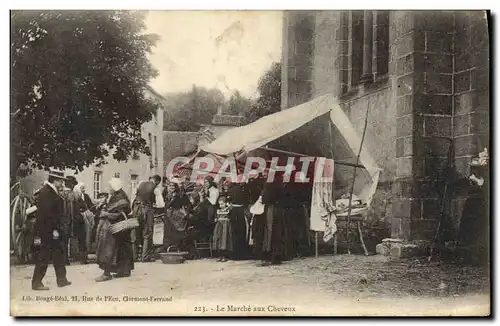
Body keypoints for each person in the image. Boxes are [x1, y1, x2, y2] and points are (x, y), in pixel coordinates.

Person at [31, 169, 72, 290]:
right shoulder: (47, 192)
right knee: (44, 255)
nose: (63, 184)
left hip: (51, 229)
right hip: (49, 230)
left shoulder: (49, 191)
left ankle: (62, 280)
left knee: (58, 254)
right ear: (55, 180)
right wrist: (54, 230)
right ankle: (36, 283)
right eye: (61, 181)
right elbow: (47, 214)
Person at [95, 178, 134, 282]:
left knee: (108, 249)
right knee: (122, 249)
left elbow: (120, 213)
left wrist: (107, 214)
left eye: (110, 187)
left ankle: (106, 273)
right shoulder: (118, 195)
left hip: (116, 227)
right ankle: (124, 271)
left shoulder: (119, 197)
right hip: (120, 228)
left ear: (114, 187)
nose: (109, 189)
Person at [132, 175, 165, 262]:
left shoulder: (140, 184)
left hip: (136, 209)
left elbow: (134, 196)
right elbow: (161, 204)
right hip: (147, 210)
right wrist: (153, 205)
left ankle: (134, 256)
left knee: (136, 232)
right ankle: (145, 257)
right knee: (147, 233)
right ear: (157, 182)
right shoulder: (155, 188)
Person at [162, 181, 191, 251]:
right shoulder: (166, 194)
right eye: (170, 185)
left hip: (177, 216)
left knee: (177, 232)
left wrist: (185, 213)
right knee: (168, 231)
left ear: (176, 187)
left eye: (173, 186)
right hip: (168, 215)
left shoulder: (181, 195)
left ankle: (178, 247)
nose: (171, 187)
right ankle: (168, 247)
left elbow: (188, 204)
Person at [227, 181, 249, 260]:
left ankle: (235, 254)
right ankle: (242, 253)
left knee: (234, 232)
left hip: (234, 211)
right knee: (241, 232)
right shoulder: (243, 191)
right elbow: (246, 202)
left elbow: (229, 201)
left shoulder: (231, 190)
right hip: (241, 211)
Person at [74, 182, 95, 262]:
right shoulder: (76, 196)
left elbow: (90, 205)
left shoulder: (86, 196)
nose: (83, 190)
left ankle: (84, 256)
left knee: (86, 237)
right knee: (80, 238)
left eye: (84, 188)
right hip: (79, 219)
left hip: (86, 219)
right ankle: (79, 256)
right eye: (82, 188)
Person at [60, 176, 79, 265]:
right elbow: (74, 210)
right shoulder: (73, 195)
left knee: (61, 240)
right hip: (68, 221)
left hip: (60, 220)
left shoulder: (59, 193)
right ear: (71, 185)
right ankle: (65, 259)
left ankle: (62, 259)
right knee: (66, 240)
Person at [212, 196, 234, 262]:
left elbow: (231, 209)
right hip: (219, 226)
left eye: (222, 204)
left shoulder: (228, 210)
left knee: (224, 240)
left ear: (225, 203)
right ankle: (220, 256)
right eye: (220, 204)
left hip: (225, 227)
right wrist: (216, 219)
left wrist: (228, 205)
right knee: (218, 240)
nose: (221, 205)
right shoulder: (218, 211)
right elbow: (216, 217)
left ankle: (225, 256)